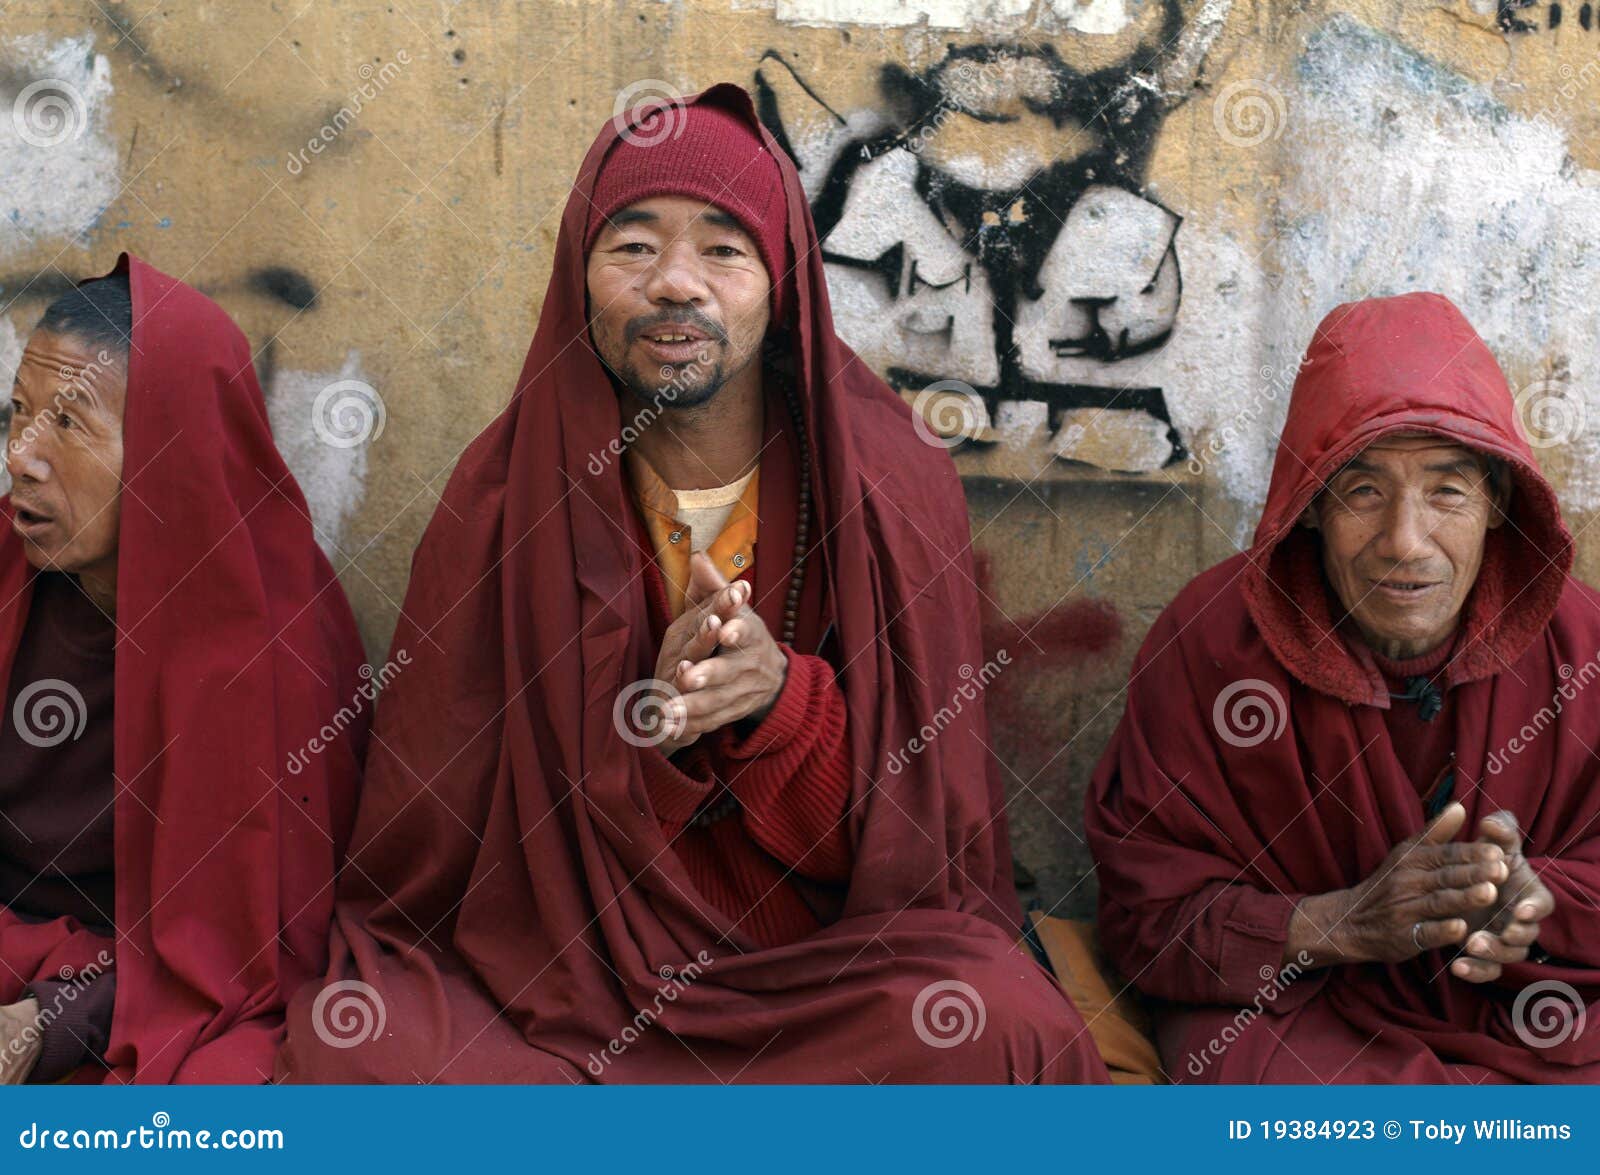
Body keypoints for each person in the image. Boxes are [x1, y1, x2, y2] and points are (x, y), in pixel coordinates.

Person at [278, 83, 1106, 1084]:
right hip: (569, 967)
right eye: (631, 247)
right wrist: (636, 735)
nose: (675, 283)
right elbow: (434, 839)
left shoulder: (889, 485)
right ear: (577, 280)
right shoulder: (502, 496)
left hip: (815, 971)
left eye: (722, 249)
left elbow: (916, 844)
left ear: (783, 280)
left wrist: (780, 704)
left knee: (1004, 1023)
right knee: (361, 1038)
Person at [1087, 291, 1599, 1082]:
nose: (1405, 541)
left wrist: (1538, 903)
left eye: (1447, 490)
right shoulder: (1213, 644)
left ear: (1498, 501)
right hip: (1309, 1010)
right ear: (1311, 506)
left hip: (1529, 1007)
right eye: (1362, 490)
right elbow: (1141, 912)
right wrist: (1336, 923)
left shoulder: (1582, 644)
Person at [0, 257, 368, 1083]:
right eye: (18, 415)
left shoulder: (274, 634)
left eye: (69, 423)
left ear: (177, 449)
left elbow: (246, 954)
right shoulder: (6, 568)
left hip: (134, 994)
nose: (22, 456)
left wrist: (50, 1019)